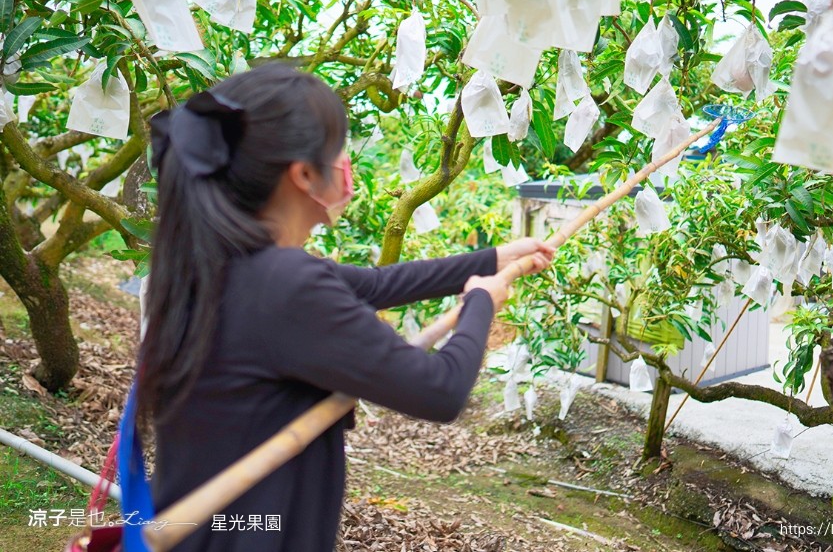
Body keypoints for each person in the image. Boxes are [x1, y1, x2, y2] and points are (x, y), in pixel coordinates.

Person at [137, 63, 554, 551]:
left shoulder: (221, 266)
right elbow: (439, 389)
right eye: (339, 151)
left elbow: (376, 284)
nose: (345, 164)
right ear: (304, 174)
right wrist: (482, 301)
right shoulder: (285, 285)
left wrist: (494, 258)